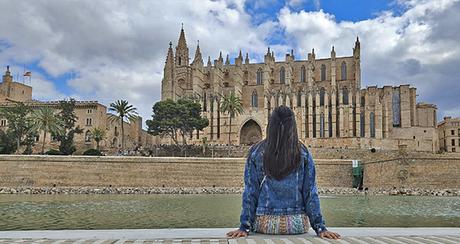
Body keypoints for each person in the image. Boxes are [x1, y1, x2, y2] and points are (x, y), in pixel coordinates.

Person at [226, 106, 340, 239]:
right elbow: (310, 192)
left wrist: (244, 226)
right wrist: (320, 227)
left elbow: (251, 192)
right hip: (296, 225)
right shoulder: (302, 151)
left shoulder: (256, 151)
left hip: (264, 224)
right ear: (293, 126)